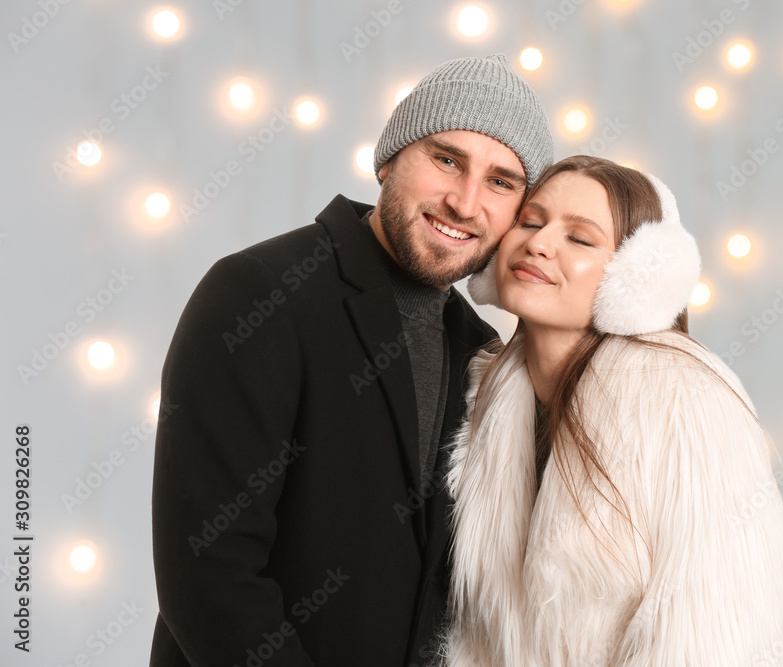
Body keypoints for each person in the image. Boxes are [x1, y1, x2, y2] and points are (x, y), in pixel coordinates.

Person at [149, 54, 553, 666]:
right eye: (446, 159)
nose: (465, 202)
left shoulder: (481, 351)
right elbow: (209, 572)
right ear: (389, 159)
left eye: (501, 181)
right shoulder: (261, 292)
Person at [438, 155, 783, 666]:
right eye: (531, 221)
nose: (540, 244)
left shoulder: (685, 399)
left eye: (580, 238)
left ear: (637, 278)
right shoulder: (487, 389)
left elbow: (716, 630)